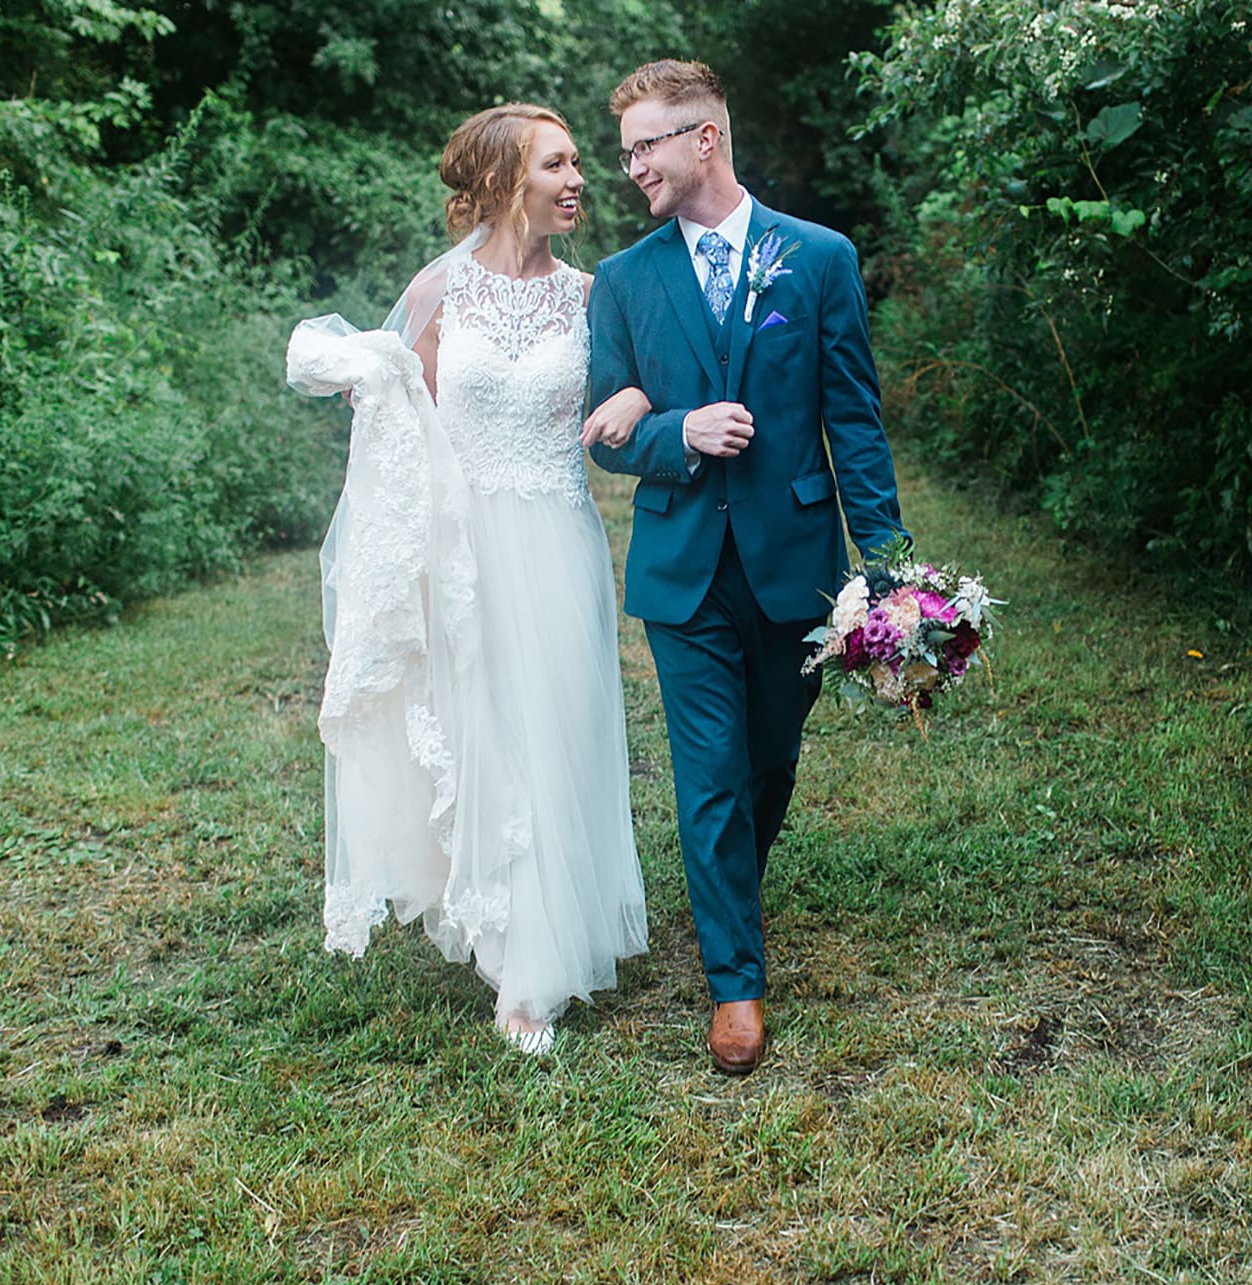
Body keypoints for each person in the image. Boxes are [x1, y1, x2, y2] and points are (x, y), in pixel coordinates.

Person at [289, 104, 651, 1056]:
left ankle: (542, 938)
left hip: (561, 541)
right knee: (486, 729)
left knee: (555, 728)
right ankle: (515, 961)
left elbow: (642, 377)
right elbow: (400, 424)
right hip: (468, 547)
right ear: (501, 179)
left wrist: (636, 396)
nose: (579, 181)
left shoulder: (589, 296)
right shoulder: (438, 291)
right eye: (557, 165)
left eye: (579, 164)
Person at [582, 61, 907, 1075]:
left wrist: (888, 568)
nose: (631, 166)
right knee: (709, 775)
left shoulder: (816, 259)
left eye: (646, 145)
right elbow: (603, 429)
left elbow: (851, 417)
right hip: (682, 569)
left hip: (791, 562)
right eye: (625, 148)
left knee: (770, 757)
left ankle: (730, 890)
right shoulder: (624, 281)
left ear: (704, 139)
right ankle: (734, 981)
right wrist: (678, 427)